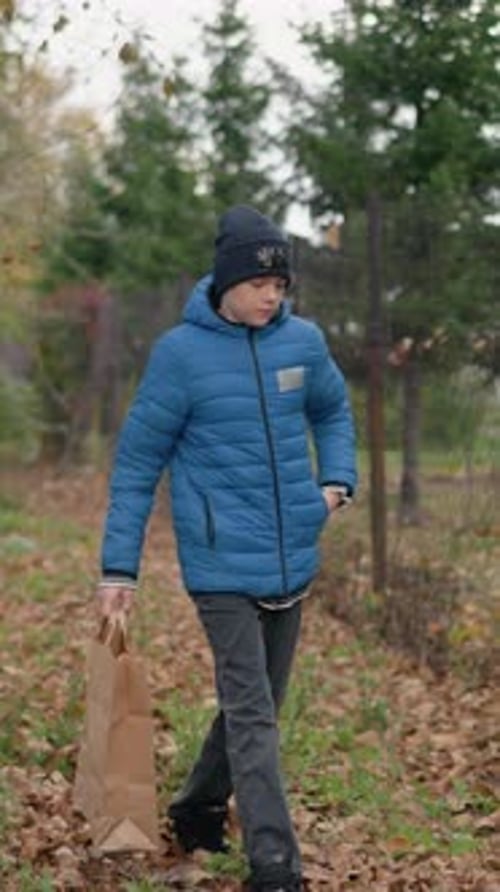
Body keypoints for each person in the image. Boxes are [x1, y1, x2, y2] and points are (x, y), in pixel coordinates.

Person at [96, 205, 357, 892]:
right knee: (252, 714)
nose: (274, 294)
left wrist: (335, 484)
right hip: (219, 569)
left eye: (282, 283)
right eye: (261, 282)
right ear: (226, 279)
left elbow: (333, 409)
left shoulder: (302, 342)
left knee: (259, 703)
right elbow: (135, 466)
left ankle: (197, 805)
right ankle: (276, 866)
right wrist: (117, 568)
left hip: (293, 556)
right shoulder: (180, 356)